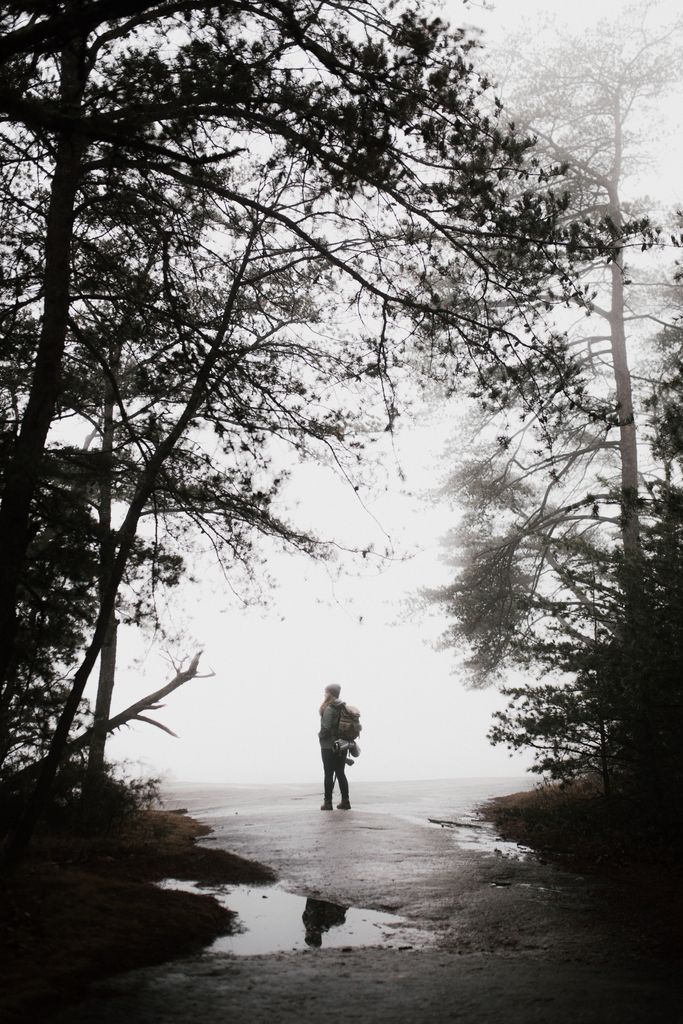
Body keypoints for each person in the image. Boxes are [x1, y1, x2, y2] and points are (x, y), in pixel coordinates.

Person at [318, 683, 351, 810]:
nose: (324, 694)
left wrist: (320, 736)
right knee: (340, 773)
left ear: (330, 694)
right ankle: (345, 801)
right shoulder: (343, 708)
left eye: (326, 692)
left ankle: (327, 803)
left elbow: (326, 728)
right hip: (342, 745)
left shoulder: (330, 708)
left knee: (328, 774)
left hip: (328, 746)